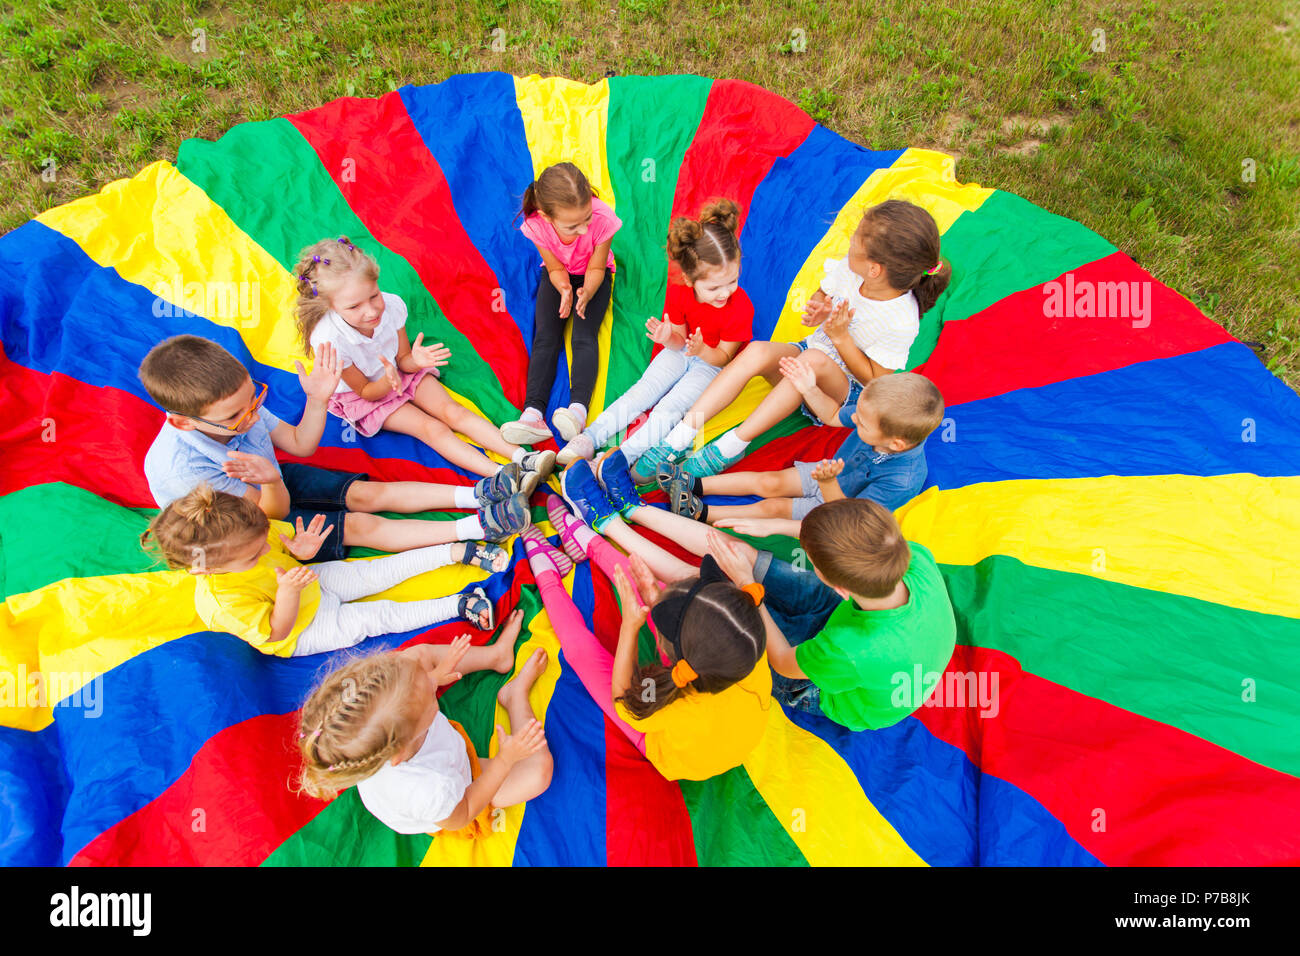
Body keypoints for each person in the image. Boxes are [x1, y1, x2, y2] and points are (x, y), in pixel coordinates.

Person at [634, 199, 951, 480]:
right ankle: (677, 439)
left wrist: (840, 338)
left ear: (874, 269)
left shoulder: (900, 319)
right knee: (758, 351)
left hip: (840, 395)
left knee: (812, 360)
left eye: (856, 240)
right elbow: (823, 294)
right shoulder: (851, 270)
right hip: (806, 358)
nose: (849, 240)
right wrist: (818, 309)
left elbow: (877, 384)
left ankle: (730, 447)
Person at [140, 334, 531, 554]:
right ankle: (476, 525)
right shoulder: (188, 475)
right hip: (244, 524)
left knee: (365, 493)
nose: (253, 417)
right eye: (235, 416)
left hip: (263, 480)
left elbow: (299, 443)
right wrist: (272, 482)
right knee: (359, 525)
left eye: (254, 399)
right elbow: (271, 516)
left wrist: (318, 400)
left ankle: (478, 493)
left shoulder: (239, 409)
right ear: (182, 422)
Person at [293, 235, 554, 485]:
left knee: (453, 412)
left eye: (373, 296)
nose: (371, 310)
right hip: (366, 394)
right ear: (331, 307)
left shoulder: (391, 307)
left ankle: (524, 457)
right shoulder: (331, 340)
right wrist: (388, 379)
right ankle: (503, 474)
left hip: (397, 372)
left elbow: (404, 359)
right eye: (354, 307)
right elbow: (366, 391)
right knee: (431, 429)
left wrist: (414, 362)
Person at [140, 483, 508, 657]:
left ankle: (456, 551)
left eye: (265, 540)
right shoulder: (223, 600)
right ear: (207, 569)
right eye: (255, 555)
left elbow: (282, 546)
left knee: (376, 571)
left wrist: (301, 551)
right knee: (375, 617)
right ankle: (458, 605)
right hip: (301, 630)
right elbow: (273, 632)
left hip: (308, 584)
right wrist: (287, 594)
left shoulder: (248, 536)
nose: (267, 549)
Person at [555, 199, 752, 483]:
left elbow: (725, 357)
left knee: (669, 409)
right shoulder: (681, 293)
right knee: (642, 393)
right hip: (683, 351)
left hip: (711, 365)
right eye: (714, 287)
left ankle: (622, 455)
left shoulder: (740, 306)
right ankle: (589, 438)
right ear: (689, 279)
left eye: (732, 280)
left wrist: (702, 351)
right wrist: (667, 336)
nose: (725, 292)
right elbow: (679, 341)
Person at [296, 628, 553, 837]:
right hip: (463, 790)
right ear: (402, 748)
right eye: (430, 698)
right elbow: (463, 813)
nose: (432, 687)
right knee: (538, 774)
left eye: (425, 682)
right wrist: (505, 760)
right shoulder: (427, 788)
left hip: (438, 748)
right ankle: (514, 695)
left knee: (416, 656)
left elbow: (412, 681)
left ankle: (497, 656)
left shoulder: (383, 717)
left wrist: (434, 675)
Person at [660, 372, 943, 528]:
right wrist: (809, 389)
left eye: (862, 423)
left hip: (837, 504)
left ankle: (701, 514)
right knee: (769, 480)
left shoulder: (902, 480)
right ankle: (691, 482)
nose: (853, 419)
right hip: (831, 474)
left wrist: (828, 482)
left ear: (896, 444)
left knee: (774, 507)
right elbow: (833, 414)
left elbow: (846, 516)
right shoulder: (873, 416)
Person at [500, 162, 622, 445]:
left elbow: (597, 268)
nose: (582, 230)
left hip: (594, 276)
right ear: (547, 216)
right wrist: (564, 288)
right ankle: (533, 413)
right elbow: (554, 268)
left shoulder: (603, 218)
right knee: (545, 337)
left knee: (584, 336)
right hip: (561, 276)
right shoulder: (536, 225)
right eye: (572, 226)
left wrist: (586, 293)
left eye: (586, 220)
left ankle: (577, 410)